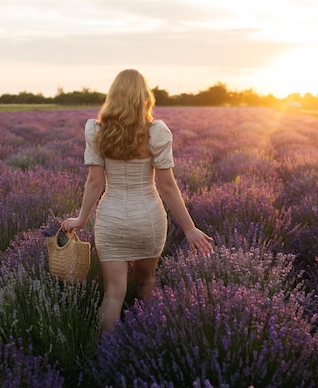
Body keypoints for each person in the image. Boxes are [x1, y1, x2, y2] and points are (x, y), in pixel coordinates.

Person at [61, 69, 213, 333]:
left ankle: (104, 359)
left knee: (113, 295)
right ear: (145, 96)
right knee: (146, 284)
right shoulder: (156, 132)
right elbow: (167, 185)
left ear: (113, 96)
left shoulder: (97, 132)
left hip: (112, 220)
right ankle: (150, 345)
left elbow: (95, 182)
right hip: (149, 220)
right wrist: (189, 228)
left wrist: (81, 218)